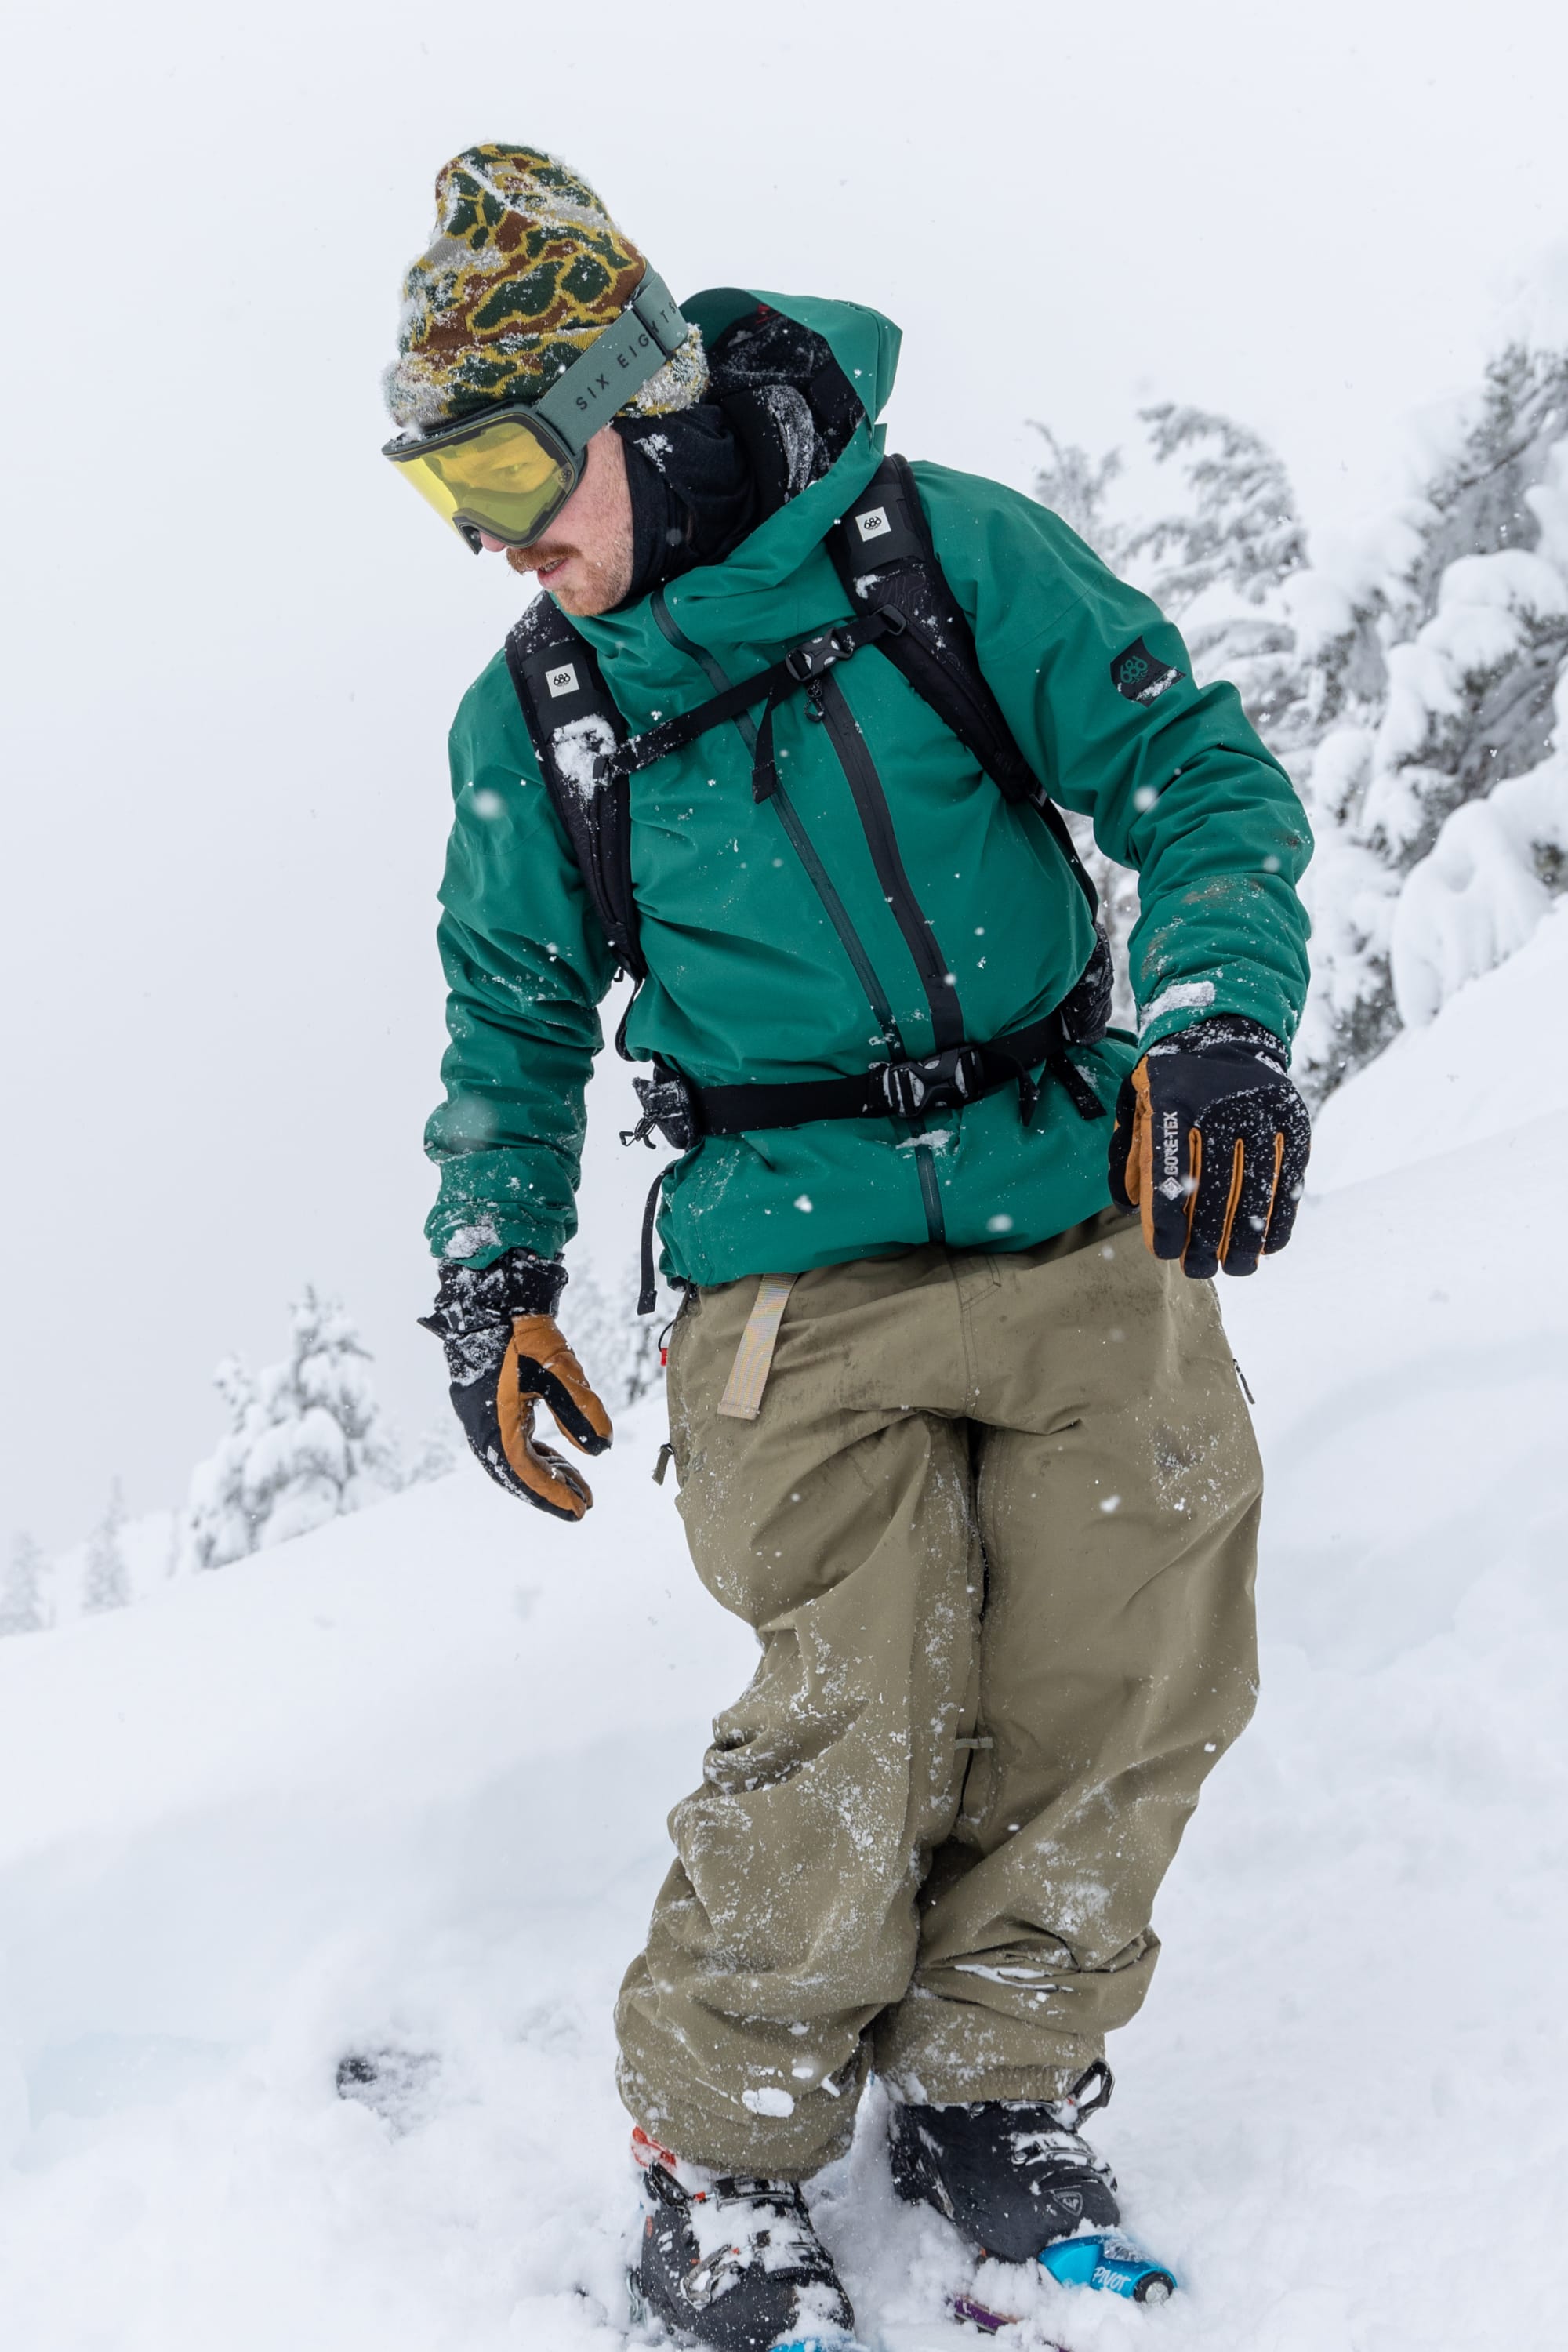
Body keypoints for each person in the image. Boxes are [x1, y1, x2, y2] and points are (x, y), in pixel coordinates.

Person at [387, 145, 1312, 2352]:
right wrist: (495, 1269)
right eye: (447, 497)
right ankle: (728, 2147)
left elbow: (1194, 777)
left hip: (1069, 1199)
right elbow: (510, 1026)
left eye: (515, 465)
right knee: (856, 1711)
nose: (505, 537)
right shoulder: (547, 717)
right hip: (789, 1273)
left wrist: (1218, 1031)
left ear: (640, 393)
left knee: (1134, 1666)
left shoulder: (937, 558)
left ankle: (994, 2095)